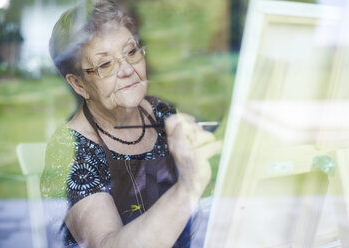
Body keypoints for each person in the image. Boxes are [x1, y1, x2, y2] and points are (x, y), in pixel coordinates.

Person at [40, 0, 221, 247]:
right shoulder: (69, 148)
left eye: (132, 51)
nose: (126, 69)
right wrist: (187, 188)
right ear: (78, 84)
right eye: (105, 64)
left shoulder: (162, 113)